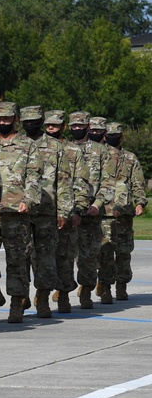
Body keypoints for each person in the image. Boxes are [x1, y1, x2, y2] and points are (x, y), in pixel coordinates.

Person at [0, 102, 41, 324]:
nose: (2, 123)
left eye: (6, 119)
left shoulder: (27, 146)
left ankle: (17, 303)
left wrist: (28, 199)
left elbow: (34, 176)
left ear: (14, 119)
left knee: (17, 260)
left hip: (17, 211)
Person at [21, 105, 72, 318]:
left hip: (47, 210)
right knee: (20, 256)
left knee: (46, 257)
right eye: (27, 121)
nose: (30, 124)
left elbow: (64, 181)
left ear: (41, 121)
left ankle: (42, 299)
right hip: (18, 212)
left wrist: (64, 210)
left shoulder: (55, 147)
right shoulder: (16, 145)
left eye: (35, 121)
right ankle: (20, 295)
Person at [44, 110, 91, 313]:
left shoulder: (73, 150)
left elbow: (81, 183)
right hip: (42, 213)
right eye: (48, 125)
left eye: (55, 125)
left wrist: (78, 210)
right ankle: (42, 295)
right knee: (41, 258)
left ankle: (63, 295)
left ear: (63, 126)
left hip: (67, 210)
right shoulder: (36, 147)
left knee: (65, 257)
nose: (51, 128)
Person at [68, 111, 115, 309]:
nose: (77, 129)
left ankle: (86, 291)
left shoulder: (101, 151)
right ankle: (60, 291)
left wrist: (98, 203)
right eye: (74, 126)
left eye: (81, 125)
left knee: (88, 256)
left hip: (91, 213)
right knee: (64, 255)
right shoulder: (63, 149)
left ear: (88, 126)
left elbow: (108, 181)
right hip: (66, 212)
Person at [106, 122, 147, 301]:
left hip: (124, 212)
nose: (114, 137)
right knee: (105, 251)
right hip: (104, 212)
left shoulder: (130, 158)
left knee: (123, 251)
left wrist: (140, 202)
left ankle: (121, 286)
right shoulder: (99, 156)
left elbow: (138, 182)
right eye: (110, 134)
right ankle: (105, 287)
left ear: (122, 137)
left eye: (117, 134)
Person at [91, 117, 123, 305]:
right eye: (92, 129)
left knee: (106, 251)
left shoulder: (113, 155)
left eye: (98, 130)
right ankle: (87, 282)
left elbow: (118, 183)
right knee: (84, 252)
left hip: (107, 210)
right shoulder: (80, 150)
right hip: (86, 210)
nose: (95, 133)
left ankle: (106, 286)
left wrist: (117, 205)